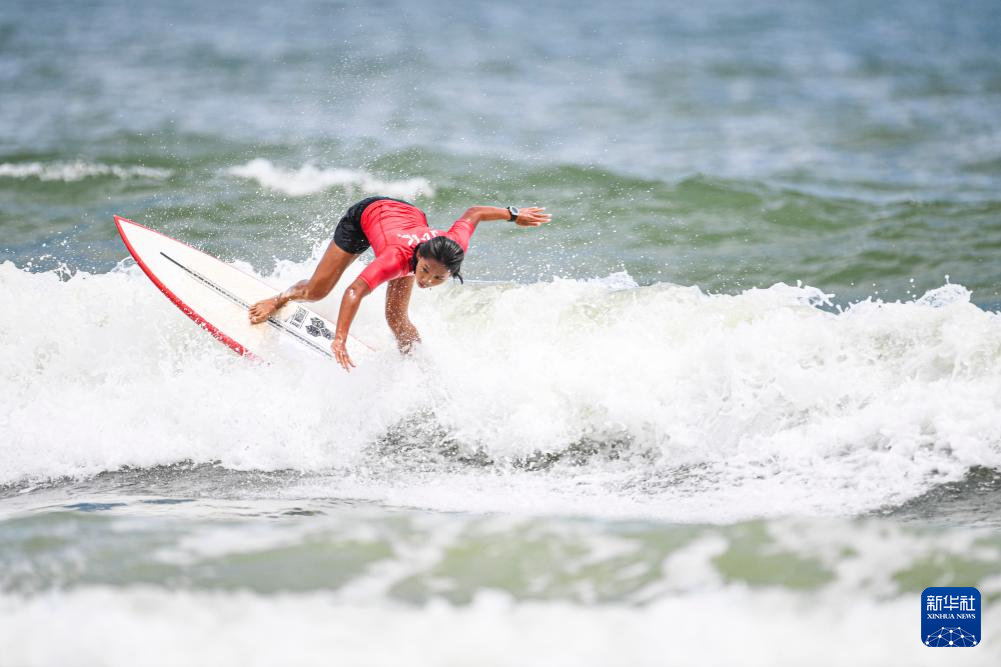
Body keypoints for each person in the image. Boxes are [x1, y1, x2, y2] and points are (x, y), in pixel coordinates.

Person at [248, 196, 551, 370]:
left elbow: (474, 214)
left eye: (437, 278)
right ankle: (279, 298)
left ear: (451, 272)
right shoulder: (396, 259)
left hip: (408, 215)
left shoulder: (452, 247)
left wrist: (514, 216)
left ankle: (417, 367)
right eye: (424, 271)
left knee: (397, 318)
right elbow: (355, 291)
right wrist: (339, 337)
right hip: (367, 215)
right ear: (418, 257)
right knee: (317, 290)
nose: (426, 280)